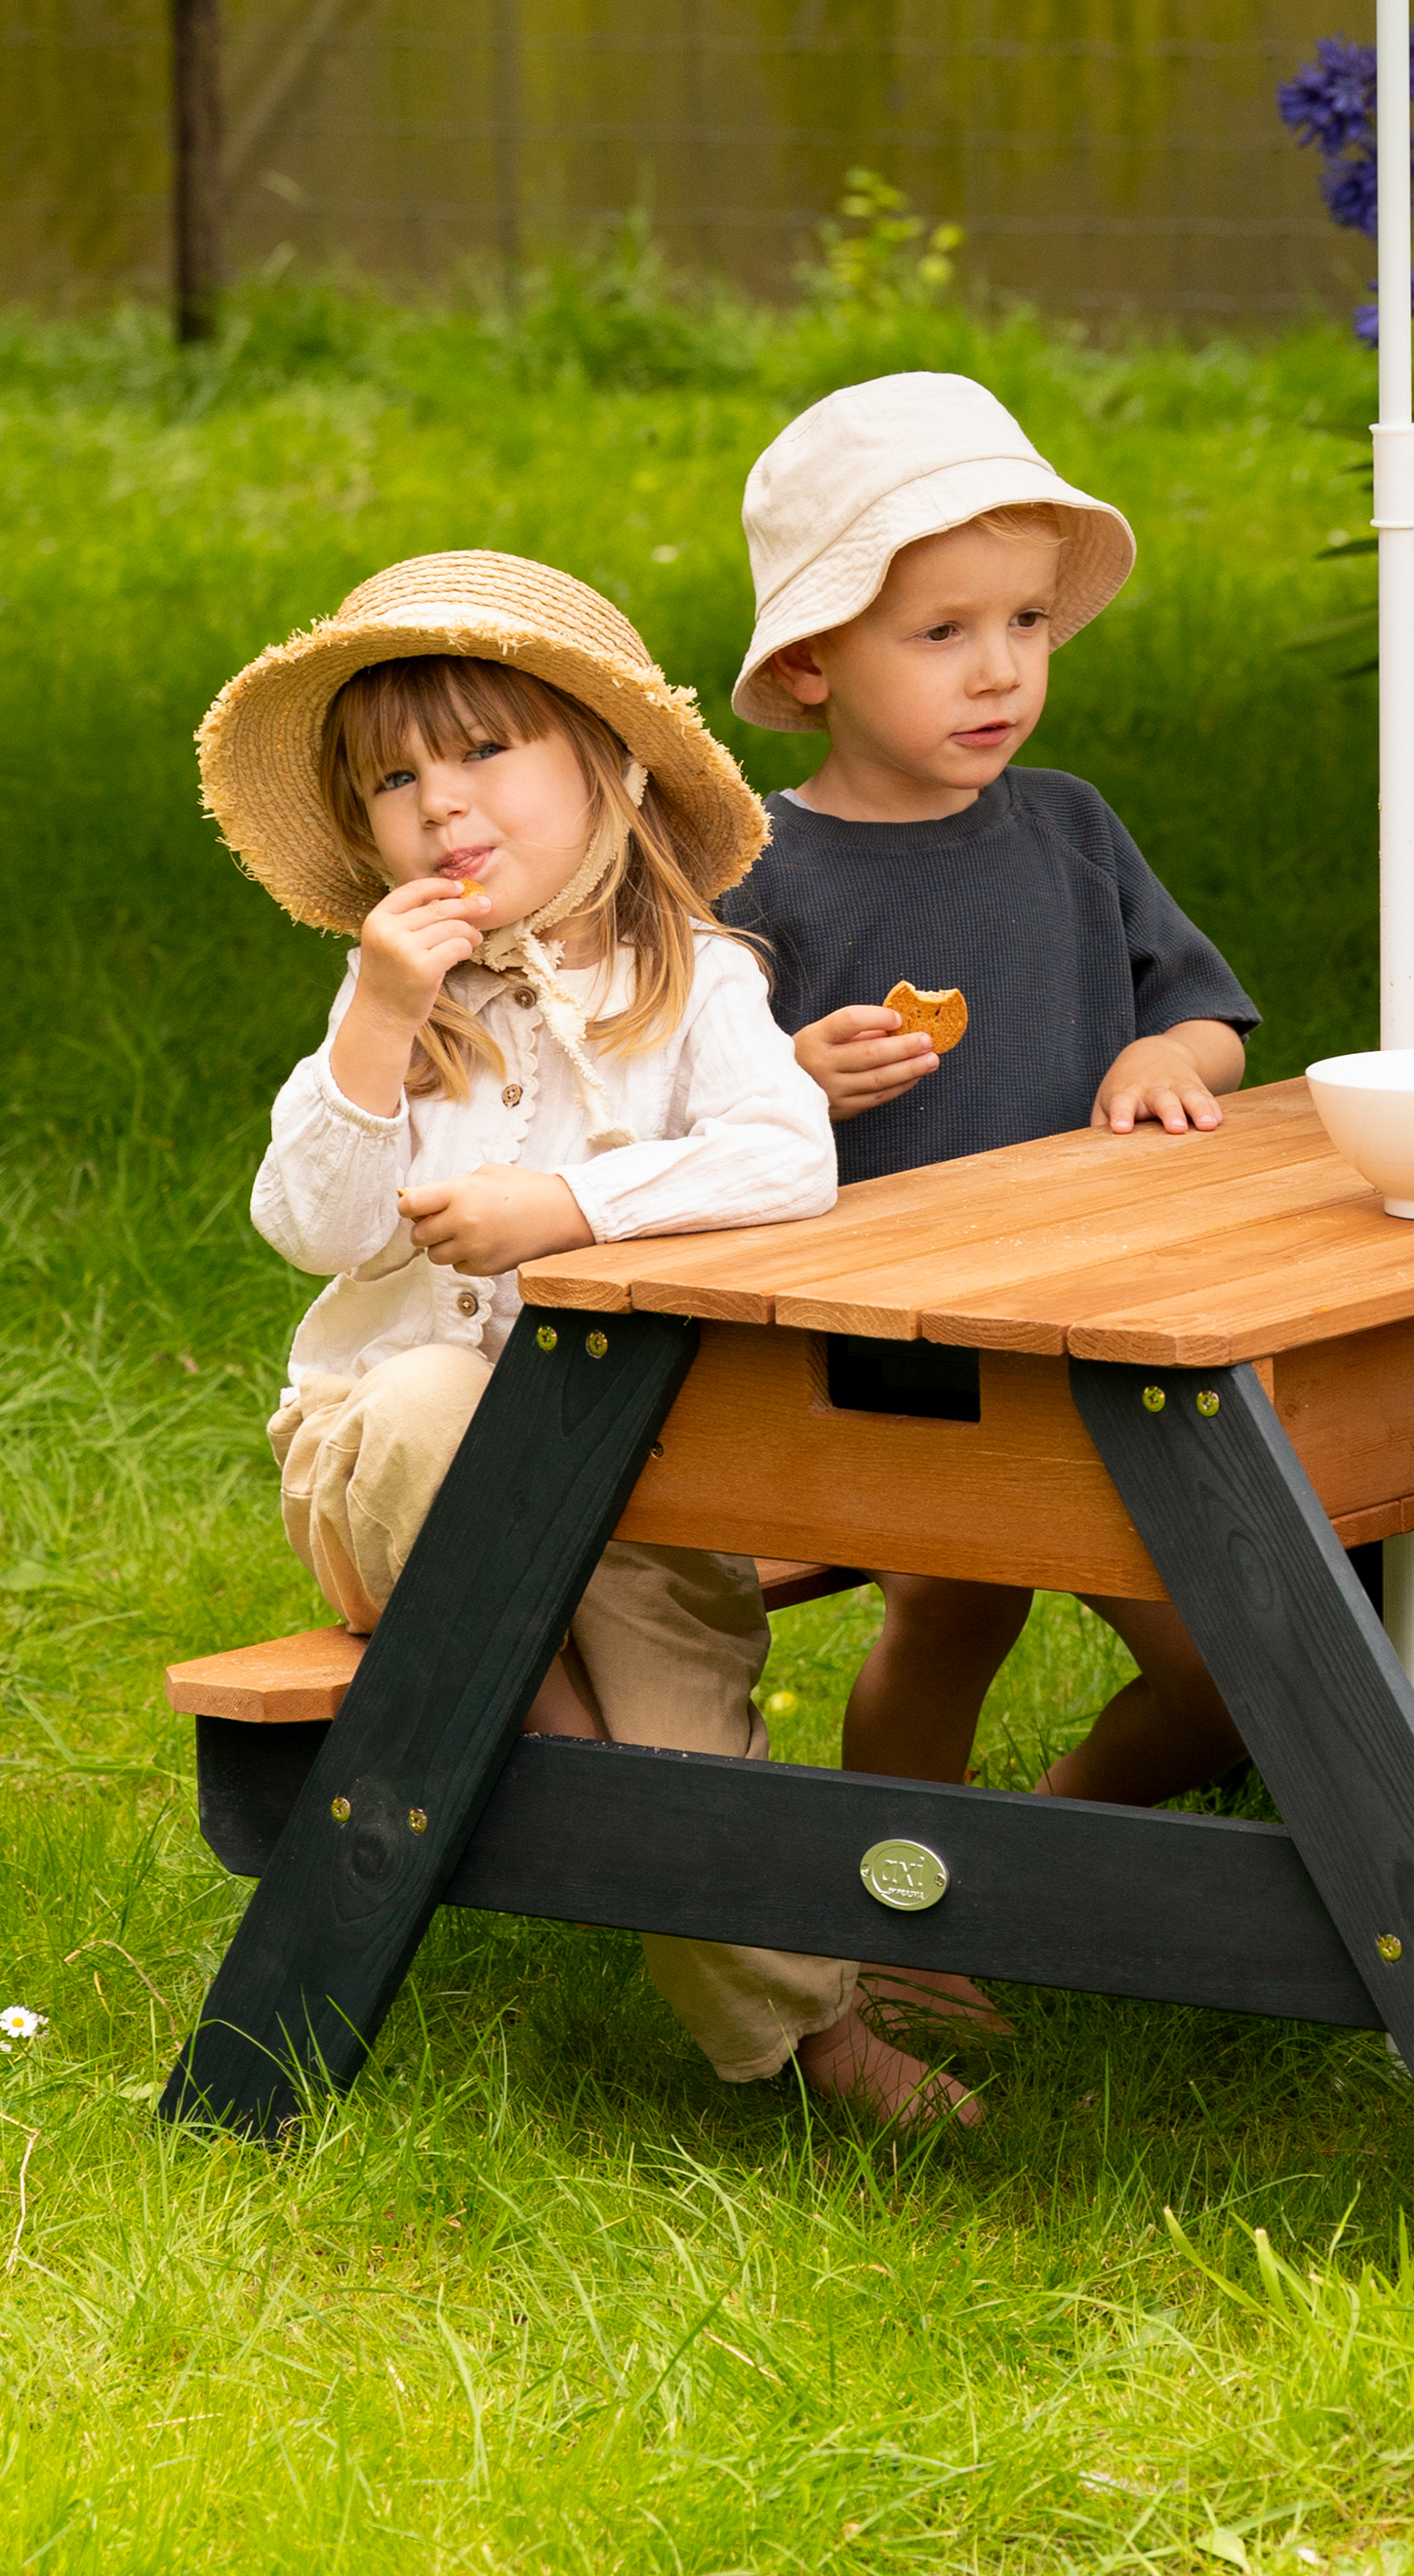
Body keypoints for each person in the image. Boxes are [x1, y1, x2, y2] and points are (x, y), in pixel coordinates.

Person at [199, 549, 965, 2127]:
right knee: (421, 1398)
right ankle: (542, 1718)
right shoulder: (391, 1017)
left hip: (636, 1498)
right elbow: (315, 1227)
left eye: (487, 752)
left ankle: (809, 2034)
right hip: (386, 1494)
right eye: (397, 779)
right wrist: (374, 1020)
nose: (442, 805)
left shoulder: (699, 986)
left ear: (608, 768)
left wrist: (570, 1203)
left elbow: (785, 1159)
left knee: (690, 1747)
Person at [719, 376, 1260, 1863]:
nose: (1000, 672)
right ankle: (908, 1907)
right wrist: (789, 1080)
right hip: (886, 1365)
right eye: (942, 633)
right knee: (959, 1604)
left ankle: (1045, 1842)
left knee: (1244, 1658)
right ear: (818, 660)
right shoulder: (760, 872)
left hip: (1106, 1340)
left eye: (1026, 624)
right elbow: (682, 1117)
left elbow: (1211, 1020)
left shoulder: (1073, 828)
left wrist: (1170, 1059)